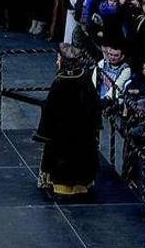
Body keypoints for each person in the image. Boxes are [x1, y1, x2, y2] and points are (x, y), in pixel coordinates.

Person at [34, 43, 101, 197]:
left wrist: (45, 132)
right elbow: (94, 105)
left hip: (61, 133)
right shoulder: (84, 79)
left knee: (62, 159)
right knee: (80, 157)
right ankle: (80, 186)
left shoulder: (59, 82)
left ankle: (62, 187)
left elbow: (50, 109)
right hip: (82, 132)